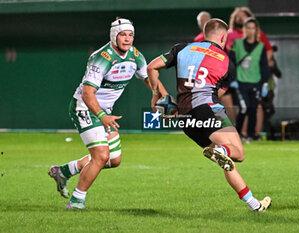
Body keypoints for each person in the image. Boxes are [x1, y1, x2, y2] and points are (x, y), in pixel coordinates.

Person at [147, 18, 271, 212]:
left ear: (205, 34)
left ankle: (254, 205)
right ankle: (222, 151)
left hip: (185, 119)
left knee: (226, 161)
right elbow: (217, 94)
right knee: (237, 153)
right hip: (207, 110)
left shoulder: (181, 49)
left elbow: (151, 67)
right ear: (223, 37)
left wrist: (158, 94)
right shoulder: (226, 61)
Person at [48, 17, 167, 209]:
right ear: (114, 36)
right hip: (85, 108)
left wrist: (163, 96)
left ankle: (64, 171)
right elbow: (87, 94)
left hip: (105, 112)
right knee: (101, 156)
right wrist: (102, 116)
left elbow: (148, 77)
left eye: (130, 35)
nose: (127, 39)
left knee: (114, 160)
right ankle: (76, 201)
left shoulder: (135, 55)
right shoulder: (101, 58)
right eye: (123, 35)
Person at [229, 17, 269, 140]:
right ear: (244, 29)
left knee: (253, 110)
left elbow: (264, 66)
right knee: (244, 108)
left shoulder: (261, 47)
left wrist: (265, 83)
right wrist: (232, 79)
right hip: (240, 83)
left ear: (256, 30)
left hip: (255, 83)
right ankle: (238, 134)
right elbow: (231, 62)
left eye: (253, 28)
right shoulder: (237, 44)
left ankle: (251, 135)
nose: (251, 30)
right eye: (248, 28)